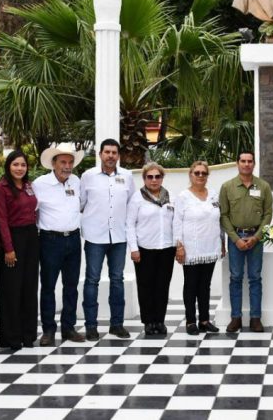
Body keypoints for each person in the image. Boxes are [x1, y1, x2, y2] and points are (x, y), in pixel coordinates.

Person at [79, 139, 135, 340]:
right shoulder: (88, 176)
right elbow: (81, 203)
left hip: (118, 237)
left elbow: (131, 204)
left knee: (117, 280)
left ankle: (116, 325)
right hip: (95, 237)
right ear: (100, 154)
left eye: (114, 152)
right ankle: (91, 326)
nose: (110, 155)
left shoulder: (127, 176)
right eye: (107, 152)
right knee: (92, 280)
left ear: (118, 155)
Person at [33, 143, 86, 345]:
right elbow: (32, 211)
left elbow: (81, 205)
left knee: (71, 286)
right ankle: (48, 330)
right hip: (50, 241)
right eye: (63, 162)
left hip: (73, 239)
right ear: (54, 163)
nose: (67, 166)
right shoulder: (40, 184)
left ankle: (68, 328)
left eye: (70, 162)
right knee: (48, 286)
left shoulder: (76, 181)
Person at [219, 150, 273, 333]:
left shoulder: (263, 186)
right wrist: (235, 239)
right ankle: (235, 318)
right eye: (243, 161)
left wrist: (256, 237)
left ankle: (255, 318)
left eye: (250, 161)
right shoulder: (227, 187)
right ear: (237, 163)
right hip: (235, 239)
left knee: (255, 278)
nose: (246, 164)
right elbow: (223, 215)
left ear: (254, 164)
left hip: (256, 239)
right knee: (235, 277)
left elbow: (268, 214)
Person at [0, 150, 39, 350]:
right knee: (12, 289)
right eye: (15, 164)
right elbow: (1, 221)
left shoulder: (28, 186)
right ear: (8, 166)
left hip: (31, 237)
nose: (20, 168)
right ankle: (12, 337)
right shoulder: (0, 189)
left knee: (30, 287)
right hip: (12, 239)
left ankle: (28, 335)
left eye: (23, 165)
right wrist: (8, 249)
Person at [174, 161, 224, 335]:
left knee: (205, 285)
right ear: (190, 175)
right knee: (191, 285)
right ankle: (190, 321)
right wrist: (179, 246)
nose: (200, 176)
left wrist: (222, 242)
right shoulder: (183, 196)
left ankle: (204, 320)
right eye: (197, 173)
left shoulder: (214, 195)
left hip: (210, 246)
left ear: (207, 175)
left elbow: (219, 221)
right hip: (191, 248)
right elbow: (177, 222)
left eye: (204, 173)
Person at [127, 162, 176, 335]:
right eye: (150, 177)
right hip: (144, 249)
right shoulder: (137, 198)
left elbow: (175, 222)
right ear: (144, 179)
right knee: (146, 286)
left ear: (162, 178)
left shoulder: (170, 197)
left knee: (162, 285)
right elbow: (129, 224)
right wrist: (134, 248)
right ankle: (148, 322)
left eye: (157, 176)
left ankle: (160, 321)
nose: (154, 180)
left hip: (166, 248)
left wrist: (177, 244)